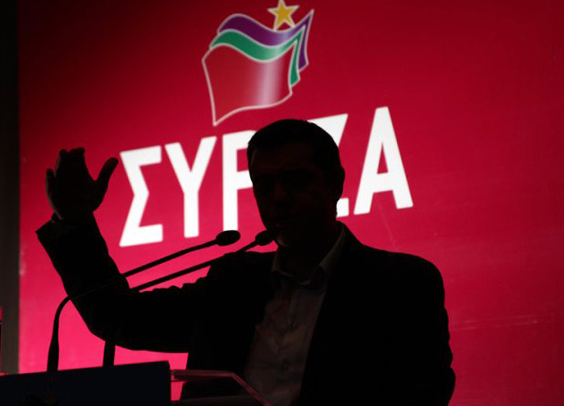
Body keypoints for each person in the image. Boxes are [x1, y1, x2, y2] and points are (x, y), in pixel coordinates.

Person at [38, 119, 455, 405]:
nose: (279, 197)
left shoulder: (400, 284)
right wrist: (74, 224)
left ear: (337, 184)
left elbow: (424, 395)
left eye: (295, 180)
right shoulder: (233, 282)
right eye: (264, 185)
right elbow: (118, 317)